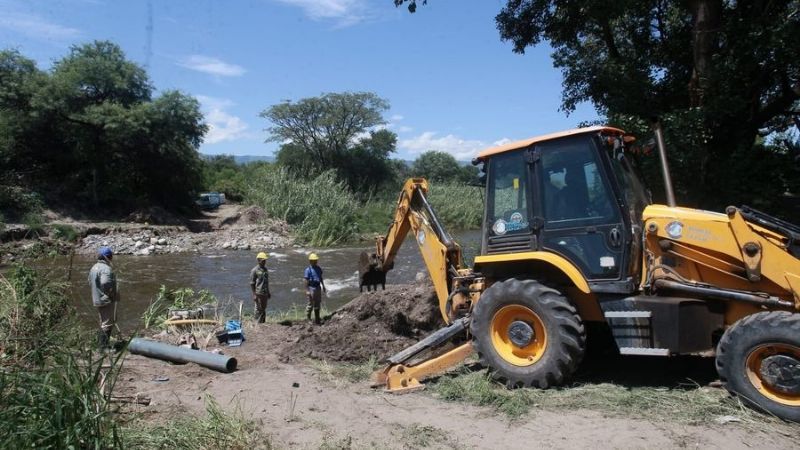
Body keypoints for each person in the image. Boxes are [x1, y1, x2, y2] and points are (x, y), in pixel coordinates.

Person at [88, 246, 118, 348]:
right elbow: (105, 282)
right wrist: (110, 293)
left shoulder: (94, 267)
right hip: (105, 300)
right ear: (108, 257)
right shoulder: (106, 268)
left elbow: (89, 281)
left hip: (96, 298)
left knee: (103, 322)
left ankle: (99, 345)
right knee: (107, 323)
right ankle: (103, 348)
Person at [304, 253, 326, 324]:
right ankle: (308, 318)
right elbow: (306, 280)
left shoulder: (318, 268)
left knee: (318, 303)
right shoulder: (308, 270)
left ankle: (317, 318)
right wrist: (307, 290)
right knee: (310, 304)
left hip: (318, 287)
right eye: (314, 260)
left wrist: (323, 286)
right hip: (311, 288)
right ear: (310, 261)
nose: (315, 261)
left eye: (316, 260)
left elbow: (321, 278)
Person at [250, 252, 271, 323]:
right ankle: (257, 323)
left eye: (265, 260)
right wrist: (254, 294)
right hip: (258, 293)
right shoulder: (254, 270)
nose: (264, 262)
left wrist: (268, 292)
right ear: (258, 260)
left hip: (265, 292)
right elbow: (252, 283)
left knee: (263, 308)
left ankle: (263, 323)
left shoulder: (265, 270)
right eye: (263, 260)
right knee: (258, 309)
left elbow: (266, 281)